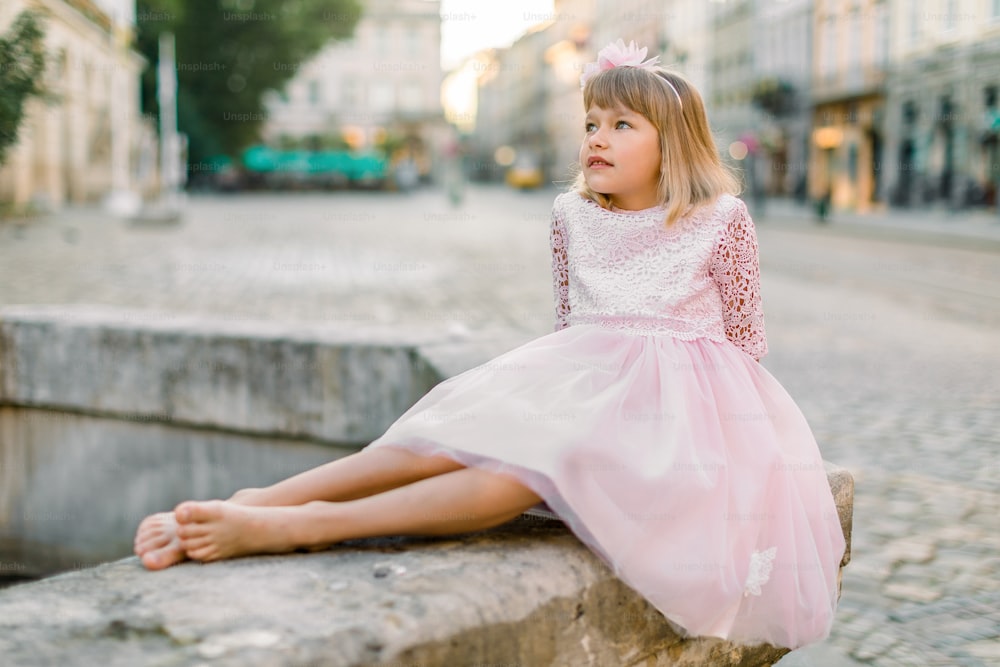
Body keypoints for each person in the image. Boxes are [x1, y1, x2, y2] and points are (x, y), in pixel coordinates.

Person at [134, 40, 846, 650]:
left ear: (673, 143)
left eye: (622, 124)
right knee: (434, 437)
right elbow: (572, 325)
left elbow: (745, 339)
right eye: (592, 121)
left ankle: (307, 526)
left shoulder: (720, 218)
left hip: (675, 409)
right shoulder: (571, 213)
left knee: (518, 472)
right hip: (584, 374)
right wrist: (565, 397)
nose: (596, 136)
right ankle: (263, 498)